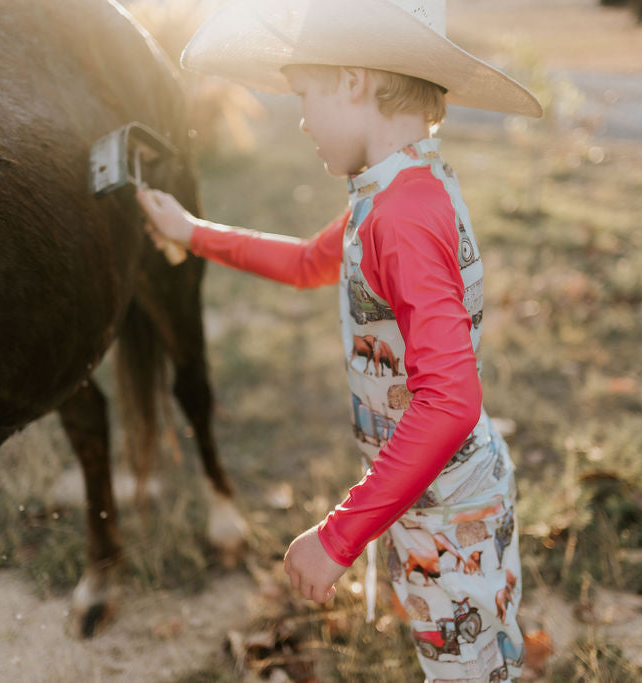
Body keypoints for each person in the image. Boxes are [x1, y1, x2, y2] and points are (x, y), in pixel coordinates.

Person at [137, 1, 542, 680]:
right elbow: (307, 261)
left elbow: (449, 401)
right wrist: (192, 231)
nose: (300, 120)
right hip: (443, 497)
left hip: (447, 516)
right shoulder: (396, 191)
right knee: (485, 657)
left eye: (306, 95)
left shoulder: (402, 217)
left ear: (353, 82)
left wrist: (338, 533)